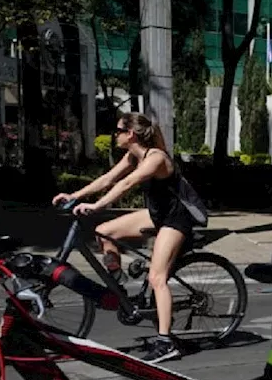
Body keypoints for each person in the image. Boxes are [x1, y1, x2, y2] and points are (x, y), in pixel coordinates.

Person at [53, 112, 204, 364]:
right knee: (104, 232)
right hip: (157, 215)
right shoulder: (134, 155)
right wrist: (74, 196)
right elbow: (109, 178)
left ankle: (166, 342)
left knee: (157, 278)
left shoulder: (156, 158)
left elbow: (127, 184)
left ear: (131, 134)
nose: (115, 135)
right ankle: (118, 283)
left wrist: (96, 206)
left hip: (175, 220)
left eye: (118, 130)